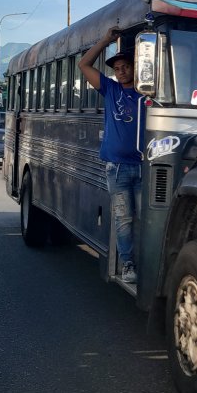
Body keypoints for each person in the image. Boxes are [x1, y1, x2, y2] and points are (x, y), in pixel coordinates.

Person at [78, 27, 143, 284]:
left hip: (145, 166)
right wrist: (105, 39)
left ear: (137, 68)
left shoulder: (149, 94)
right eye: (117, 68)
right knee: (124, 218)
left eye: (126, 66)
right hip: (117, 168)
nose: (122, 71)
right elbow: (84, 64)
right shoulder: (111, 90)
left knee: (146, 219)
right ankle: (128, 264)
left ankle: (146, 263)